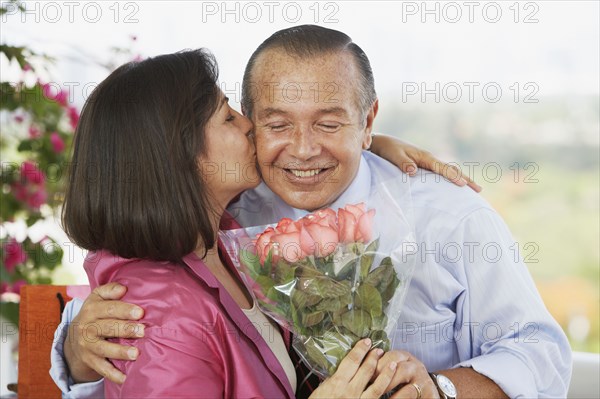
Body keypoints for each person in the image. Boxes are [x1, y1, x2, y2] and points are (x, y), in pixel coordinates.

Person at [53, 25, 572, 398]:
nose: (302, 150)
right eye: (276, 124)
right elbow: (145, 271)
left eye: (329, 124)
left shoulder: (450, 217)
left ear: (367, 120)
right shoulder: (232, 211)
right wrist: (76, 346)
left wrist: (437, 391)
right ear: (251, 122)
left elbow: (540, 352)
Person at [55, 48, 411, 398]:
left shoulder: (221, 234)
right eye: (228, 117)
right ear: (181, 153)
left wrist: (366, 140)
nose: (249, 125)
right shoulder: (164, 316)